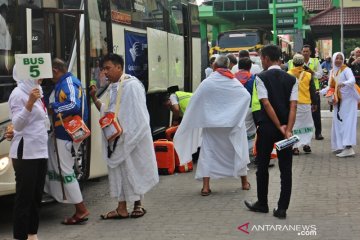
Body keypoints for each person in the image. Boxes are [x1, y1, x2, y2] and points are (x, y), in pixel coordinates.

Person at [89, 53, 159, 219]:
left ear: (119, 67)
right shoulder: (114, 87)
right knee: (120, 173)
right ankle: (121, 208)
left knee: (133, 171)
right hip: (117, 140)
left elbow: (139, 116)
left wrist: (129, 137)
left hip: (132, 139)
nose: (105, 72)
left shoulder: (131, 86)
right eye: (103, 69)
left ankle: (138, 204)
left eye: (108, 68)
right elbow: (108, 111)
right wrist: (93, 97)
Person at [173, 55, 251, 196]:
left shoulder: (208, 82)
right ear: (228, 66)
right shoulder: (233, 81)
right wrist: (234, 115)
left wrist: (207, 115)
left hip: (212, 127)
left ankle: (206, 187)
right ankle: (244, 183)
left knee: (208, 154)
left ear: (215, 66)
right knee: (238, 150)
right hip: (231, 126)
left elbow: (195, 100)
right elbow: (246, 96)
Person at [244, 45, 297, 219]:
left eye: (261, 58)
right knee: (286, 169)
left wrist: (277, 125)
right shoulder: (291, 79)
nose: (261, 61)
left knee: (262, 166)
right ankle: (282, 208)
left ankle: (262, 203)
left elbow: (265, 103)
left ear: (266, 58)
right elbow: (293, 106)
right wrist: (287, 129)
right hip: (285, 132)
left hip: (267, 128)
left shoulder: (261, 77)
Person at [45, 58, 90, 225]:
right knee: (65, 170)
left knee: (66, 172)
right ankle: (78, 207)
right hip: (65, 133)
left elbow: (73, 105)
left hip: (66, 134)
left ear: (55, 70)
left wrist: (53, 108)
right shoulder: (66, 82)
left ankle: (81, 209)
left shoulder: (68, 82)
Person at [8, 65, 48, 240]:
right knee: (24, 198)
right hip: (26, 152)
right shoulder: (18, 94)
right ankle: (20, 236)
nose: (41, 78)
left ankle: (32, 234)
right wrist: (30, 102)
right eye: (37, 75)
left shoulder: (37, 91)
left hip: (40, 150)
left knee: (36, 196)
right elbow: (17, 124)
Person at [321, 52, 359, 157]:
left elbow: (352, 80)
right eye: (336, 58)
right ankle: (340, 146)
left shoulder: (346, 69)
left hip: (349, 101)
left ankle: (349, 148)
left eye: (340, 58)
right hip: (338, 101)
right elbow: (330, 87)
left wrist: (344, 83)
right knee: (338, 124)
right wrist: (320, 92)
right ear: (333, 59)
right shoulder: (332, 71)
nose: (338, 60)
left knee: (347, 124)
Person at [288, 45, 323, 140]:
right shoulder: (292, 63)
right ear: (301, 52)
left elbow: (320, 75)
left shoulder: (315, 61)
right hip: (301, 96)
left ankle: (318, 133)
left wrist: (312, 72)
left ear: (310, 52)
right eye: (304, 51)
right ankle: (305, 141)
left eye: (307, 51)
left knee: (316, 115)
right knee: (303, 121)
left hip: (313, 91)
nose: (305, 53)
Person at [234, 57, 257, 190]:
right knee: (250, 132)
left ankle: (240, 155)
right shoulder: (253, 78)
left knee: (239, 131)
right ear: (250, 67)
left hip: (236, 110)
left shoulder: (232, 77)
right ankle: (248, 154)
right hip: (249, 108)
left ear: (238, 67)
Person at [288, 54, 317, 155]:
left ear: (293, 63)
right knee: (307, 124)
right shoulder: (308, 75)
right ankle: (306, 145)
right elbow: (312, 91)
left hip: (293, 104)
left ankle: (295, 148)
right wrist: (315, 103)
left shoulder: (288, 74)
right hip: (306, 104)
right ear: (302, 63)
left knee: (294, 125)